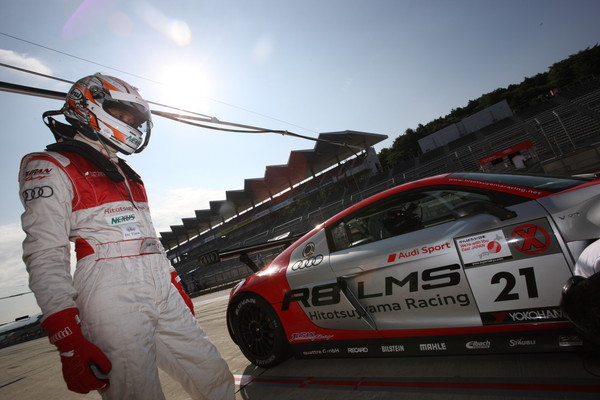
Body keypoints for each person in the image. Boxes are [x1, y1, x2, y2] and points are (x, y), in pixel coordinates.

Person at [19, 73, 234, 399]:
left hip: (160, 284)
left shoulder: (128, 172)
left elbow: (148, 238)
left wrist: (174, 284)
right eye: (122, 114)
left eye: (134, 119)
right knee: (138, 393)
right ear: (88, 105)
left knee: (213, 373)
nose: (130, 123)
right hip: (109, 290)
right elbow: (45, 252)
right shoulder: (51, 164)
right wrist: (66, 336)